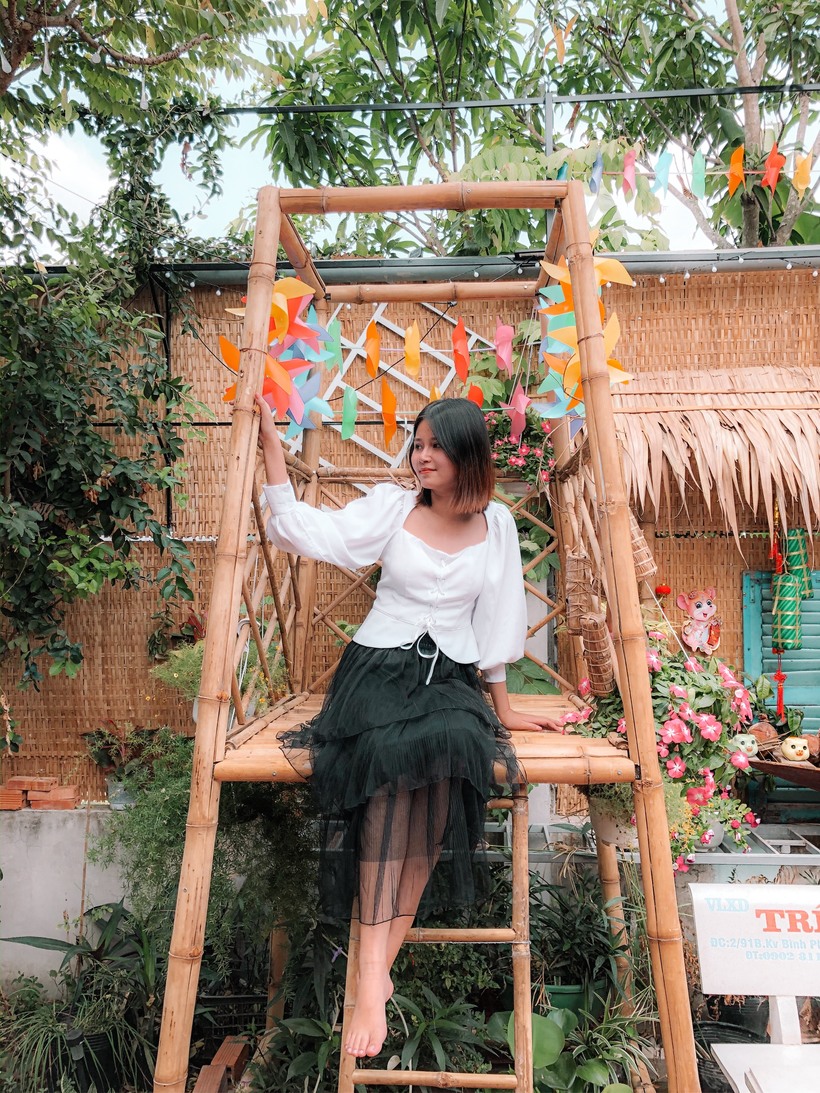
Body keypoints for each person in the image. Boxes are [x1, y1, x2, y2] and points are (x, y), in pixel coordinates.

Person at [256, 394, 561, 1060]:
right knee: (392, 766)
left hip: (449, 677)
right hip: (377, 671)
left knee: (449, 761)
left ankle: (373, 970)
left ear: (466, 453)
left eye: (435, 445)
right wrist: (275, 453)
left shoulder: (497, 524)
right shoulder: (393, 508)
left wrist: (505, 709)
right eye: (417, 444)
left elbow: (497, 617)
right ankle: (372, 978)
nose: (421, 456)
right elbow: (309, 532)